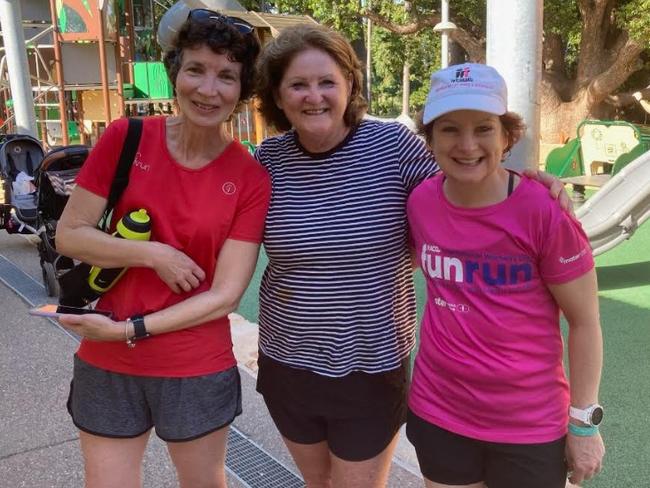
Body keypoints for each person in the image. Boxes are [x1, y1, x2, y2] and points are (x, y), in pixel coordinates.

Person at [253, 25, 570, 488]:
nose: (314, 96)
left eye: (327, 83)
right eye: (298, 85)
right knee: (317, 482)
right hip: (287, 361)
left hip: (370, 363)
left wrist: (525, 181)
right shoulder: (269, 160)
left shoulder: (393, 147)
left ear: (349, 87)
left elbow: (465, 176)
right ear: (278, 97)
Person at [55, 11, 270, 488]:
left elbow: (227, 294)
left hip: (193, 361)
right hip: (106, 355)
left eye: (226, 77)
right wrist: (154, 254)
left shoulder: (250, 177)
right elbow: (70, 235)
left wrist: (131, 329)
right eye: (196, 69)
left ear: (242, 90)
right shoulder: (126, 137)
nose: (208, 89)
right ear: (175, 73)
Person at [405, 63, 605, 488]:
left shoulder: (543, 210)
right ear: (430, 138)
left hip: (528, 425)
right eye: (449, 130)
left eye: (483, 128)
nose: (467, 145)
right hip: (439, 411)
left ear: (507, 136)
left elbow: (585, 321)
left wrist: (584, 424)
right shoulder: (420, 202)